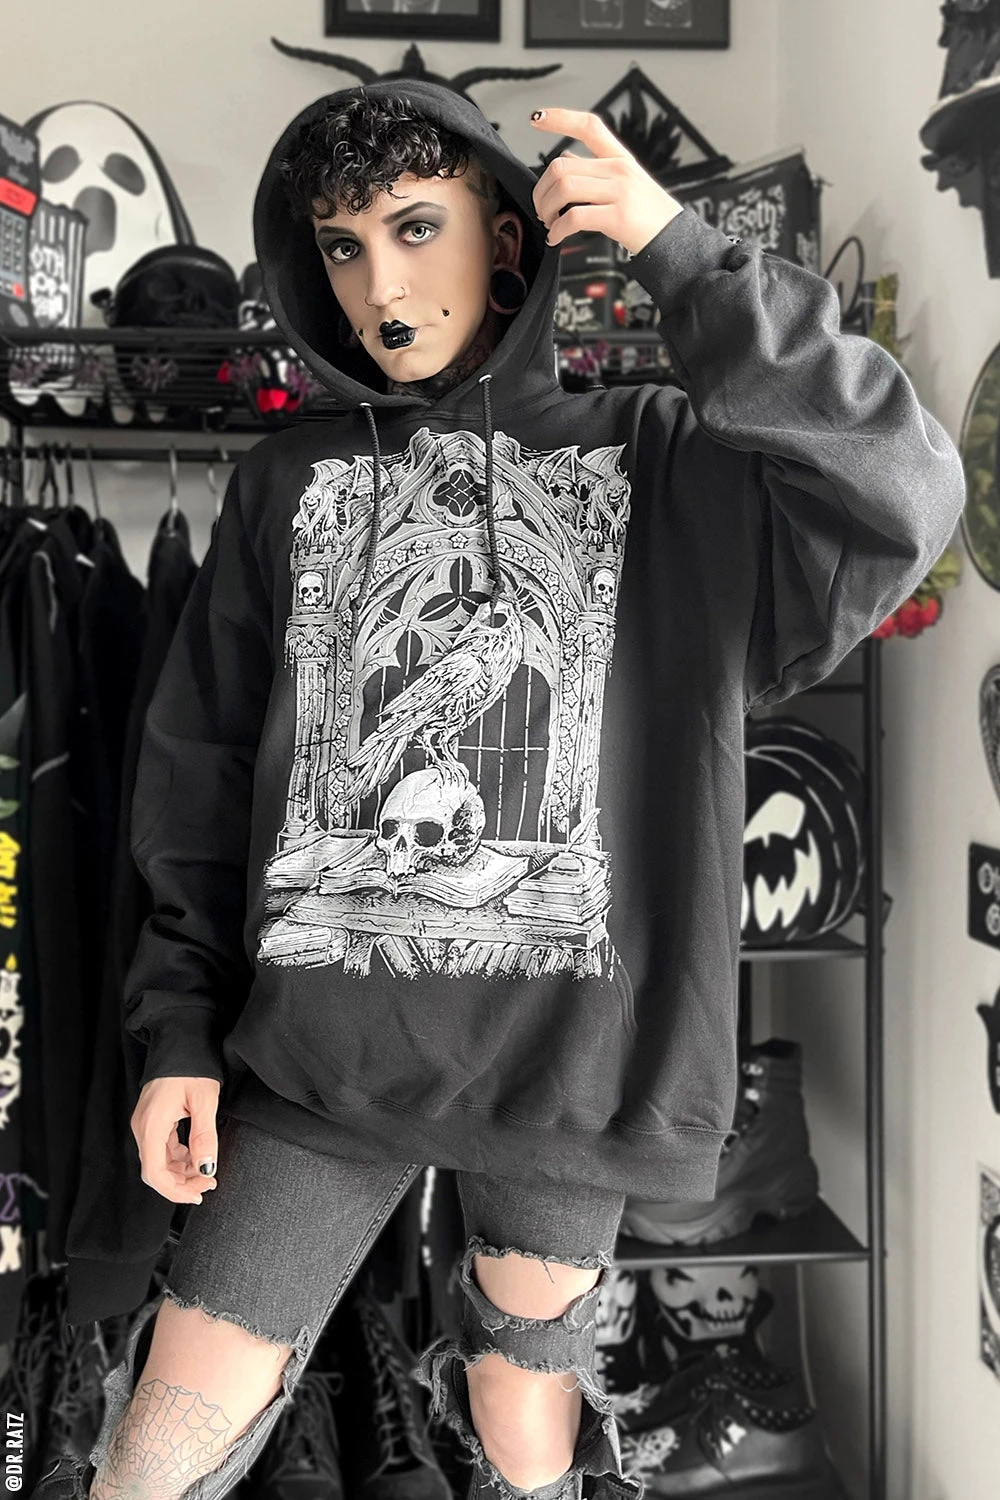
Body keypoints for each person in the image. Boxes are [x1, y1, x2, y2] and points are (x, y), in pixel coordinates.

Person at [49, 77, 964, 1500]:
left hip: (570, 1070)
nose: (379, 285)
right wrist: (175, 1029)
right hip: (315, 1062)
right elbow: (201, 776)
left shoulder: (665, 463)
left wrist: (683, 255)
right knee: (150, 1456)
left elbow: (901, 490)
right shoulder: (284, 484)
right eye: (343, 246)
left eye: (417, 227)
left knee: (523, 1440)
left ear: (509, 238)